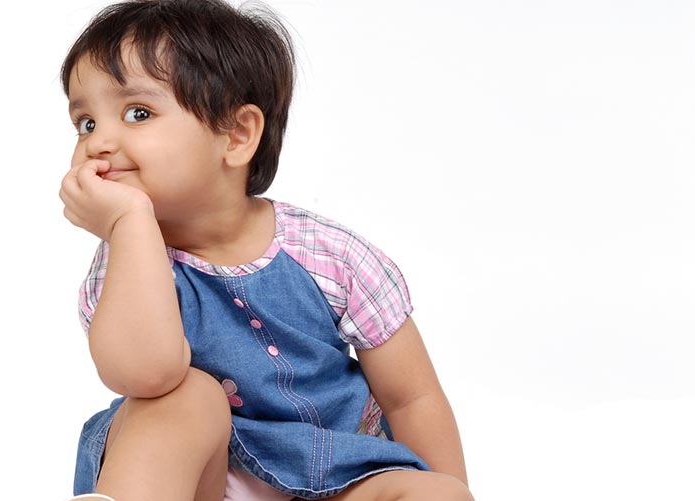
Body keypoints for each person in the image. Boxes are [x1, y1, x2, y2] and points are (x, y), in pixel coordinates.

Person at [59, 1, 472, 500]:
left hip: (335, 475)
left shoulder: (329, 255)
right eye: (85, 122)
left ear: (236, 135)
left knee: (434, 493)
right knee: (186, 396)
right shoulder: (125, 261)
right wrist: (129, 225)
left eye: (137, 113)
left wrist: (449, 487)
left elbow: (412, 398)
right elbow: (145, 374)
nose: (98, 141)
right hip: (196, 483)